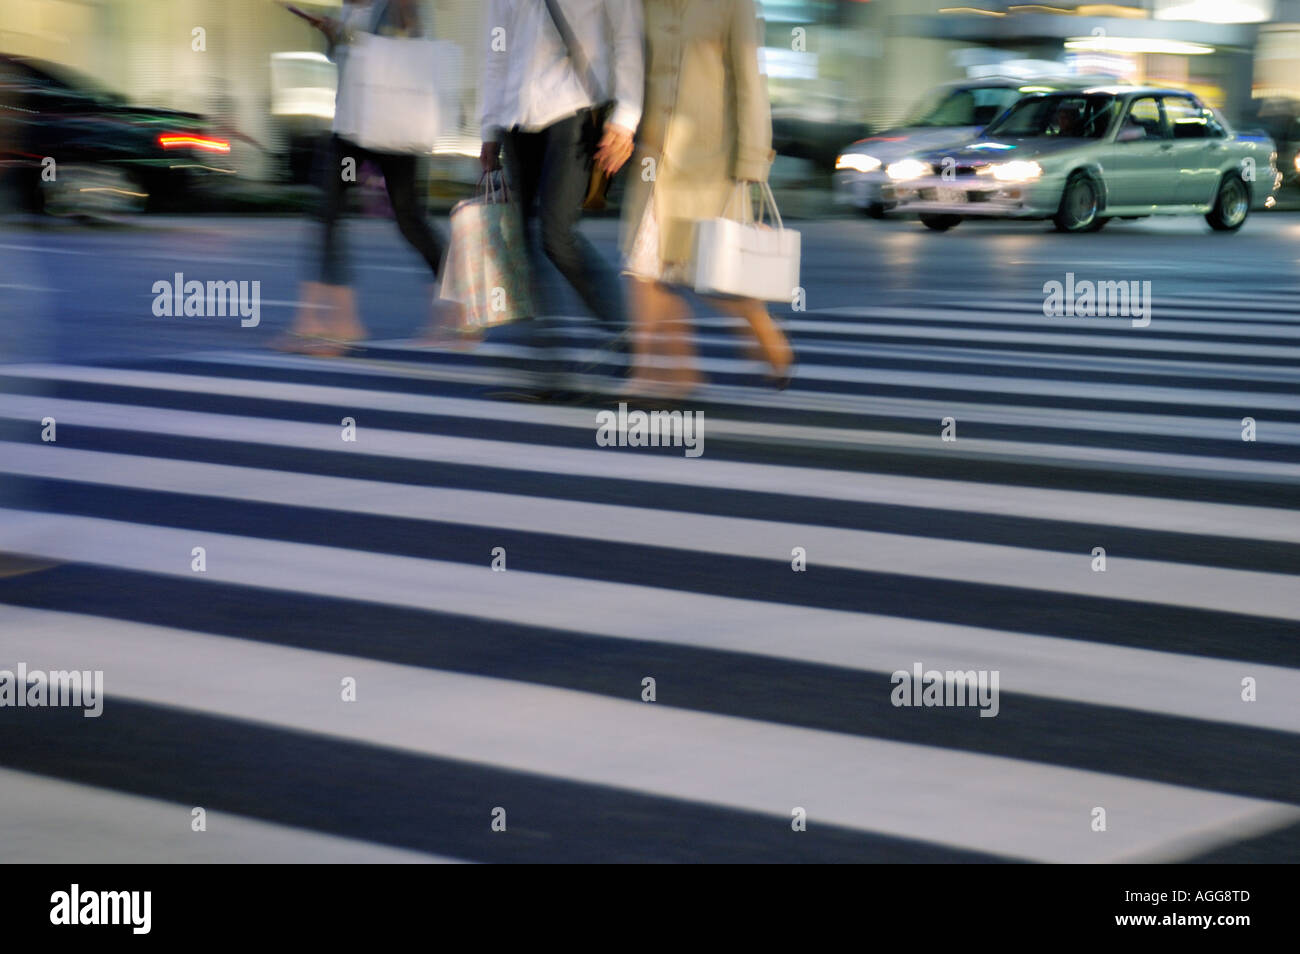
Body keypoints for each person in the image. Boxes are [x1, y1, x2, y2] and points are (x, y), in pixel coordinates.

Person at [620, 0, 794, 401]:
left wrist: (752, 159)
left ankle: (759, 324)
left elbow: (750, 80)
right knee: (643, 267)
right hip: (653, 156)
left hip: (709, 160)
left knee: (706, 271)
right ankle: (660, 370)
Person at [478, 0, 644, 401]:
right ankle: (549, 370)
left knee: (556, 235)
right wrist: (488, 130)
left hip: (574, 108)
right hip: (518, 117)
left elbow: (627, 38)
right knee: (523, 244)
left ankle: (627, 337)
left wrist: (626, 117)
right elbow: (496, 52)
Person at [277, 0, 454, 356]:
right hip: (354, 126)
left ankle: (457, 307)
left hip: (389, 126)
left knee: (408, 219)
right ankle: (326, 321)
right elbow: (343, 58)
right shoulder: (350, 6)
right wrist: (332, 34)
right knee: (329, 212)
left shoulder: (392, 4)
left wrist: (347, 33)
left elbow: (405, 43)